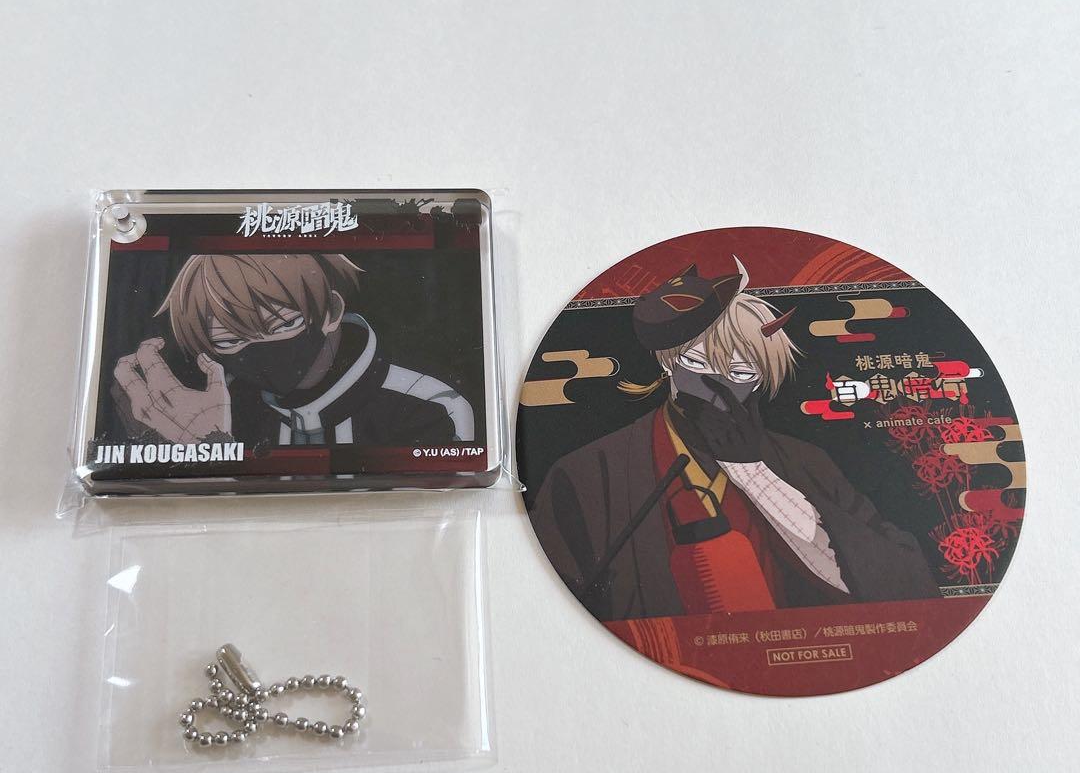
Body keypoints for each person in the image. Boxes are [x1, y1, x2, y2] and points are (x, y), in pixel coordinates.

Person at [529, 260, 940, 620]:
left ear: (760, 381)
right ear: (667, 364)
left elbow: (898, 582)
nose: (715, 387)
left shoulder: (806, 462)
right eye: (695, 363)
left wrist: (754, 475)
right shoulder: (589, 473)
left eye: (740, 374)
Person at [111, 252, 474, 448]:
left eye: (282, 325)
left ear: (330, 312)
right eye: (228, 341)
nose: (260, 353)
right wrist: (207, 447)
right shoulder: (226, 409)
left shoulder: (429, 404)